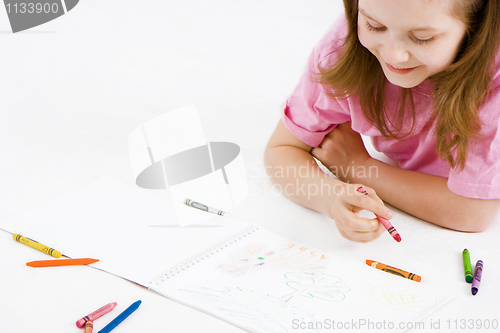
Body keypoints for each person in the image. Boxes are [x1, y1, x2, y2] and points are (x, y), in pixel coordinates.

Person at [264, 0, 500, 242]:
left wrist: (359, 167)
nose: (393, 56)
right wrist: (330, 197)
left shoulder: (493, 81)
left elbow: (472, 211)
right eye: (375, 26)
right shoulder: (345, 43)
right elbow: (283, 149)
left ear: (477, 25)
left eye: (422, 37)